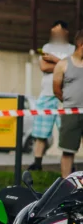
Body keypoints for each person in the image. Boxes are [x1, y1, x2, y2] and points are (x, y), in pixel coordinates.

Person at [29, 20, 75, 170]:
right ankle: (37, 163)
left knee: (66, 133)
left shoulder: (72, 49)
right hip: (47, 94)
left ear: (66, 32)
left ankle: (69, 166)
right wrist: (62, 65)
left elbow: (73, 68)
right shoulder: (47, 47)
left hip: (66, 96)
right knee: (41, 131)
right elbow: (44, 66)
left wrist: (55, 61)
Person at [53, 30, 83, 177]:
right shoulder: (63, 64)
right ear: (81, 44)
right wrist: (70, 104)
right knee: (68, 151)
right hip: (71, 113)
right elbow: (57, 90)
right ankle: (66, 183)